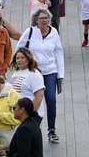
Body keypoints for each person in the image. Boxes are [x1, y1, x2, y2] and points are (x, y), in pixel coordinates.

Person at [16, 8, 64, 143]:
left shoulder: (54, 32)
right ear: (36, 20)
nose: (45, 21)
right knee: (32, 100)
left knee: (50, 99)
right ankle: (31, 126)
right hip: (34, 71)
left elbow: (59, 53)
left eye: (47, 18)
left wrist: (60, 74)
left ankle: (51, 129)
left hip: (50, 71)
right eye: (42, 18)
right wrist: (20, 65)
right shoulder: (30, 31)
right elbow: (19, 47)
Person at [8, 47, 45, 124]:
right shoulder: (16, 73)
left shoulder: (34, 73)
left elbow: (39, 96)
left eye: (22, 58)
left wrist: (30, 114)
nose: (19, 60)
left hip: (31, 115)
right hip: (19, 114)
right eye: (17, 58)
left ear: (28, 59)